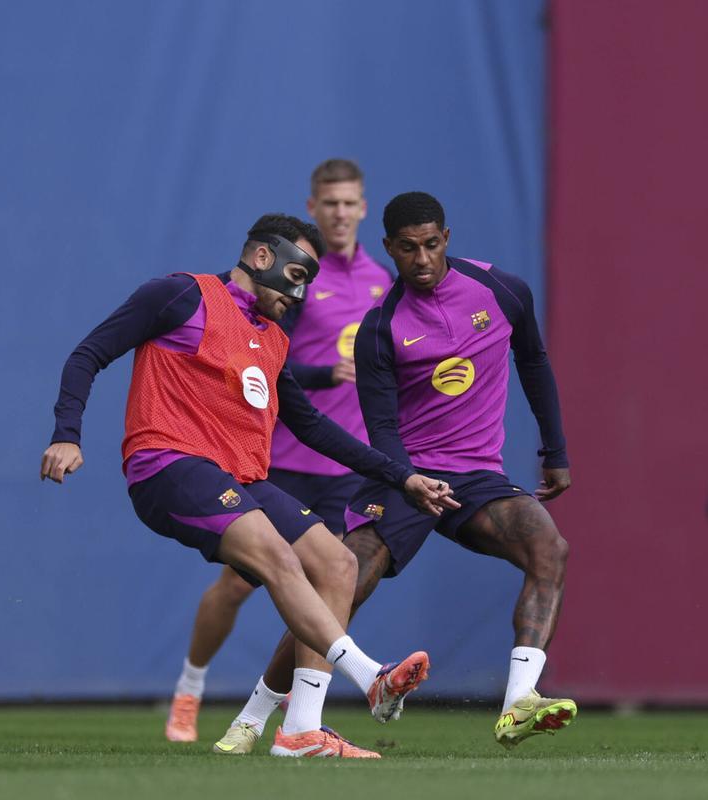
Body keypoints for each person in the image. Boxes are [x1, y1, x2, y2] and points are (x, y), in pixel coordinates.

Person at [41, 213, 458, 758]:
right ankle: (369, 676)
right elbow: (87, 354)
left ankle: (301, 731)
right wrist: (66, 434)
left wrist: (401, 476)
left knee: (337, 564)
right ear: (262, 257)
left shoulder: (274, 339)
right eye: (298, 271)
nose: (302, 289)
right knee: (278, 559)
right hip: (168, 464)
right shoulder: (180, 295)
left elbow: (311, 426)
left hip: (242, 478)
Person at [215, 192, 577, 753]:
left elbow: (534, 361)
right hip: (403, 476)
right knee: (340, 588)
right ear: (390, 249)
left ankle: (518, 704)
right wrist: (409, 480)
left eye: (432, 244)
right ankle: (252, 717)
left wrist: (555, 450)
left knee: (549, 549)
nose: (423, 259)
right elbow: (381, 431)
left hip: (478, 478)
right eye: (408, 249)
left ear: (446, 238)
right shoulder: (380, 329)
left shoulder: (502, 291)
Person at [165, 159, 394, 743]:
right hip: (279, 456)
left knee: (335, 579)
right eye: (331, 203)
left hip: (342, 464)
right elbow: (265, 363)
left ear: (363, 209)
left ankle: (287, 723)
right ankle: (189, 692)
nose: (341, 213)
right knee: (243, 582)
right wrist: (324, 373)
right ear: (314, 208)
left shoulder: (380, 282)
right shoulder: (295, 278)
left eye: (350, 203)